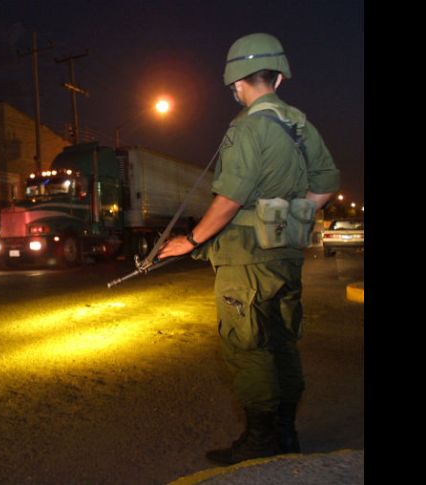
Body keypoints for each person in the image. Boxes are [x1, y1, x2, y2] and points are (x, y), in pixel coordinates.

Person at [158, 32, 340, 465]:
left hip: (246, 258)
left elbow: (229, 200)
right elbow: (326, 185)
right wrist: (289, 215)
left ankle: (261, 440)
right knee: (281, 342)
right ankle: (287, 433)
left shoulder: (247, 127)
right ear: (278, 77)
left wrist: (191, 240)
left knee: (247, 347)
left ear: (237, 83)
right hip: (285, 252)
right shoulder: (300, 124)